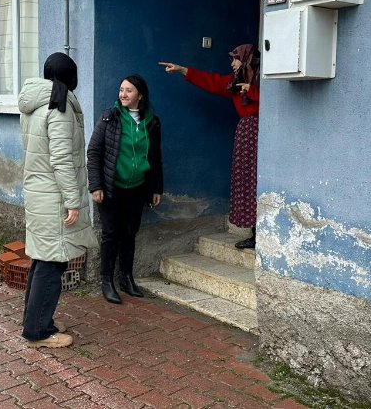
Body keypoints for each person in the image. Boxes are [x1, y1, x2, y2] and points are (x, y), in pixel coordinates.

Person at [18, 52, 96, 348]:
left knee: (42, 260)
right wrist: (73, 201)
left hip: (40, 193)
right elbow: (62, 159)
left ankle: (37, 321)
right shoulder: (59, 109)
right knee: (52, 265)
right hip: (53, 197)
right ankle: (38, 331)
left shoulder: (35, 105)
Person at [159, 44, 260, 250]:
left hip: (261, 135)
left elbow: (275, 104)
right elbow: (211, 82)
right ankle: (253, 233)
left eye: (235, 59)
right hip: (245, 136)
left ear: (247, 59)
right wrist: (181, 69)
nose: (232, 63)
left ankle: (262, 234)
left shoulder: (262, 82)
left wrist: (253, 92)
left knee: (258, 181)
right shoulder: (235, 83)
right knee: (246, 181)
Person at [87, 74, 163, 304]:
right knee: (111, 234)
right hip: (112, 188)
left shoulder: (151, 121)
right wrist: (96, 185)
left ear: (140, 95)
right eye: (121, 90)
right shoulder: (110, 118)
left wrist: (156, 188)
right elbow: (93, 152)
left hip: (137, 188)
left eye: (128, 91)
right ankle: (106, 281)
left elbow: (156, 157)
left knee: (130, 233)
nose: (123, 94)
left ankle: (126, 278)